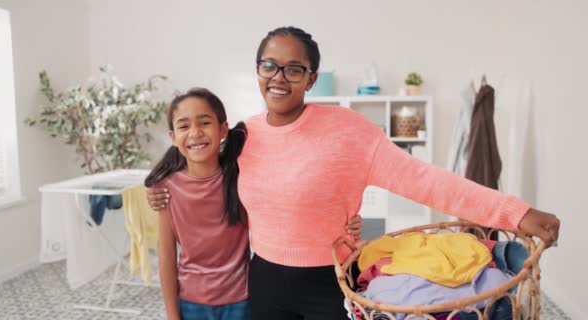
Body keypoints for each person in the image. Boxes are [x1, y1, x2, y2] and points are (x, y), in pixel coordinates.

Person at [147, 27, 560, 319]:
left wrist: (515, 213)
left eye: (293, 69)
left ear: (310, 79)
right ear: (257, 70)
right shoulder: (242, 135)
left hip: (333, 282)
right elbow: (196, 155)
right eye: (269, 65)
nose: (278, 77)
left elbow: (429, 181)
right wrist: (156, 186)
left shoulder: (348, 131)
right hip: (265, 282)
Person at [144, 88, 251, 320]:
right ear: (172, 137)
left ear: (223, 129)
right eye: (184, 126)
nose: (195, 133)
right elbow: (166, 257)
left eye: (204, 122)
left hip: (242, 302)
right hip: (191, 303)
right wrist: (172, 315)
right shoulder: (166, 187)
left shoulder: (240, 179)